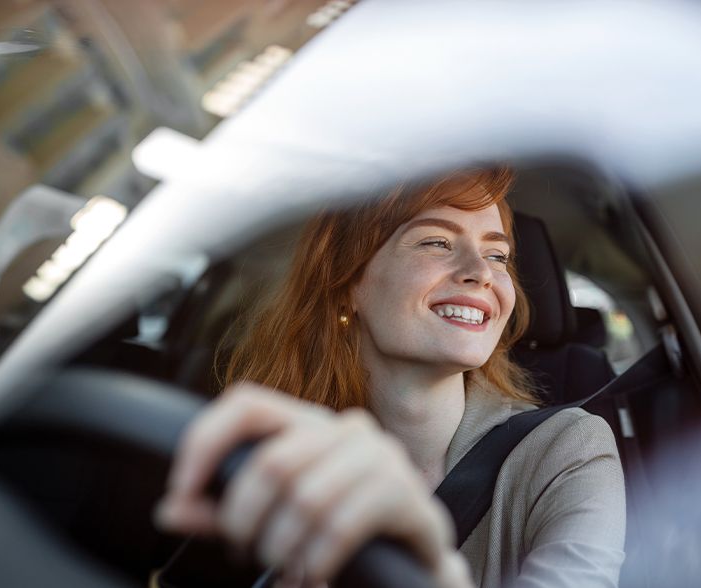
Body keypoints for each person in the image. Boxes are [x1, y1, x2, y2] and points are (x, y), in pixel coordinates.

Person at [155, 168, 626, 588]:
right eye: (437, 242)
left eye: (498, 255)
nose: (481, 273)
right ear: (348, 286)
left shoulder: (570, 450)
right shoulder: (273, 461)